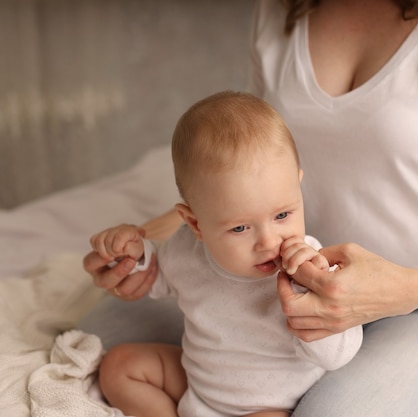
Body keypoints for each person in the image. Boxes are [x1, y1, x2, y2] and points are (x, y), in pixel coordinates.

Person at [82, 0, 418, 416]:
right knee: (95, 344)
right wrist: (135, 249)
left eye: (283, 219)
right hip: (299, 283)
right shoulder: (281, 9)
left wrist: (410, 288)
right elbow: (243, 172)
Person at [87, 91, 363, 417]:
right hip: (198, 388)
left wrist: (308, 294)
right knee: (119, 365)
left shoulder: (311, 266)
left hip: (269, 406)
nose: (268, 241)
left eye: (282, 215)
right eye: (239, 229)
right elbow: (158, 278)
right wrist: (134, 254)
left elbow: (337, 356)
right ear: (195, 224)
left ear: (297, 188)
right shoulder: (185, 249)